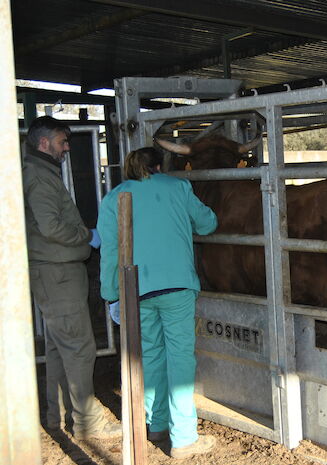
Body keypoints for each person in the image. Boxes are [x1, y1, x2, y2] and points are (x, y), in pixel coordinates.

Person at [97, 147, 218, 459]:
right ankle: (184, 438)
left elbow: (111, 251)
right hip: (177, 286)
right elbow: (207, 224)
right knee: (180, 358)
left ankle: (157, 424)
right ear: (160, 167)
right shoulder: (178, 187)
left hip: (136, 289)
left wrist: (112, 294)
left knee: (150, 355)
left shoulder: (114, 198)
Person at [22, 116, 122, 439]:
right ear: (43, 143)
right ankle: (88, 423)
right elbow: (51, 227)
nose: (67, 148)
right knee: (79, 346)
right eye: (62, 142)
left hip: (55, 273)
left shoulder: (41, 173)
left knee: (57, 347)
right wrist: (86, 236)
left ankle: (57, 415)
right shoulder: (39, 177)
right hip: (58, 274)